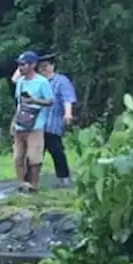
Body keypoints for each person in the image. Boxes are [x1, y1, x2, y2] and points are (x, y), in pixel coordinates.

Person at [10, 50, 54, 192]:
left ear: (33, 65)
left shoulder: (42, 82)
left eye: (23, 65)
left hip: (36, 124)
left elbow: (50, 101)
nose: (20, 68)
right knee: (18, 156)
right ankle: (21, 183)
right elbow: (19, 104)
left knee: (34, 157)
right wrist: (13, 121)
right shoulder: (20, 82)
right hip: (20, 123)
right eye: (19, 65)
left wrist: (34, 101)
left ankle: (34, 184)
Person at [38, 57, 78, 187]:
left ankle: (64, 177)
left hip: (53, 122)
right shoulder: (37, 81)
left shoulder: (61, 81)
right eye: (41, 67)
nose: (44, 69)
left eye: (46, 66)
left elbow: (68, 98)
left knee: (56, 150)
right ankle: (31, 179)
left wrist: (68, 113)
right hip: (37, 123)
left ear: (52, 66)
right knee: (36, 152)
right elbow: (16, 80)